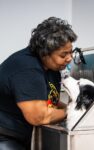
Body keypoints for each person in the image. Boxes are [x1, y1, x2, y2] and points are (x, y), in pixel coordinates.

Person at [0, 16, 77, 150]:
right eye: (63, 55)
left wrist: (78, 107)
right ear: (45, 53)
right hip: (4, 135)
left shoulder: (52, 69)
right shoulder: (26, 68)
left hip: (21, 135)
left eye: (71, 52)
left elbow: (50, 101)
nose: (69, 58)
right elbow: (38, 116)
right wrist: (74, 111)